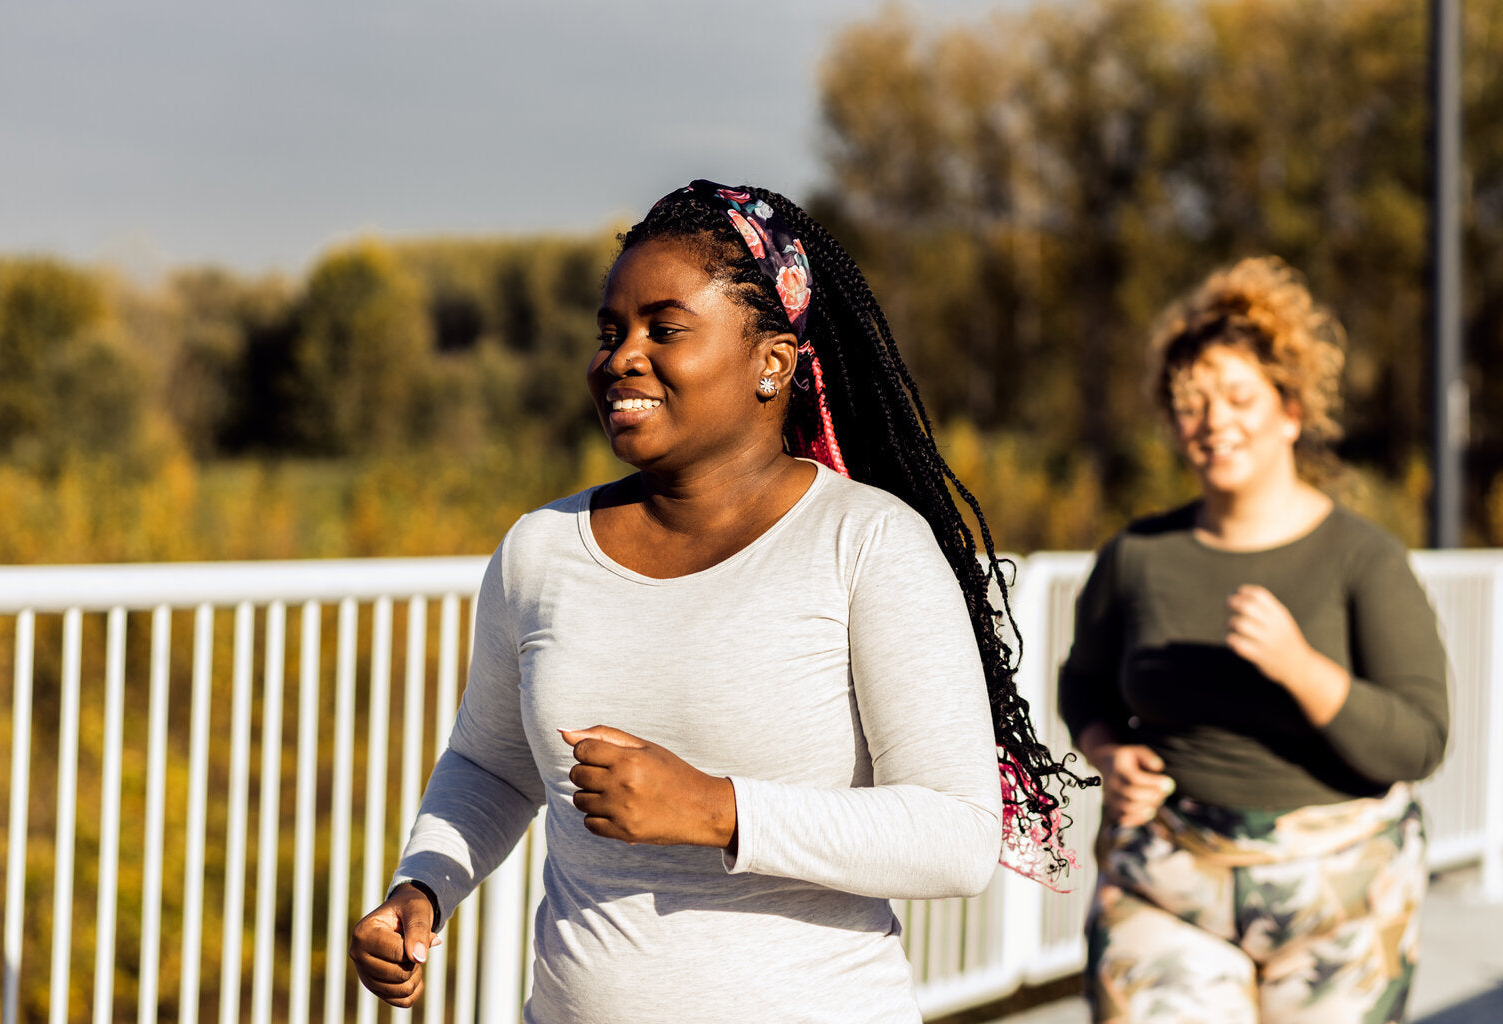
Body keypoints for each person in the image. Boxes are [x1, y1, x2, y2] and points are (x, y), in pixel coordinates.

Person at [348, 180, 1086, 1022]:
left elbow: (955, 838)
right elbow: (488, 763)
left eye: (665, 328)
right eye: (610, 331)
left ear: (772, 361)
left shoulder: (868, 544)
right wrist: (425, 885)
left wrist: (718, 810)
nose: (622, 356)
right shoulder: (540, 550)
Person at [1057, 256, 1450, 1023]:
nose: (1215, 421)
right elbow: (1084, 684)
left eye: (1239, 397)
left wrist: (1301, 668)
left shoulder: (1363, 558)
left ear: (1290, 412)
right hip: (1168, 882)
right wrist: (1108, 752)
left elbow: (1421, 744)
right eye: (1190, 405)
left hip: (1342, 896)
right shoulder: (1137, 556)